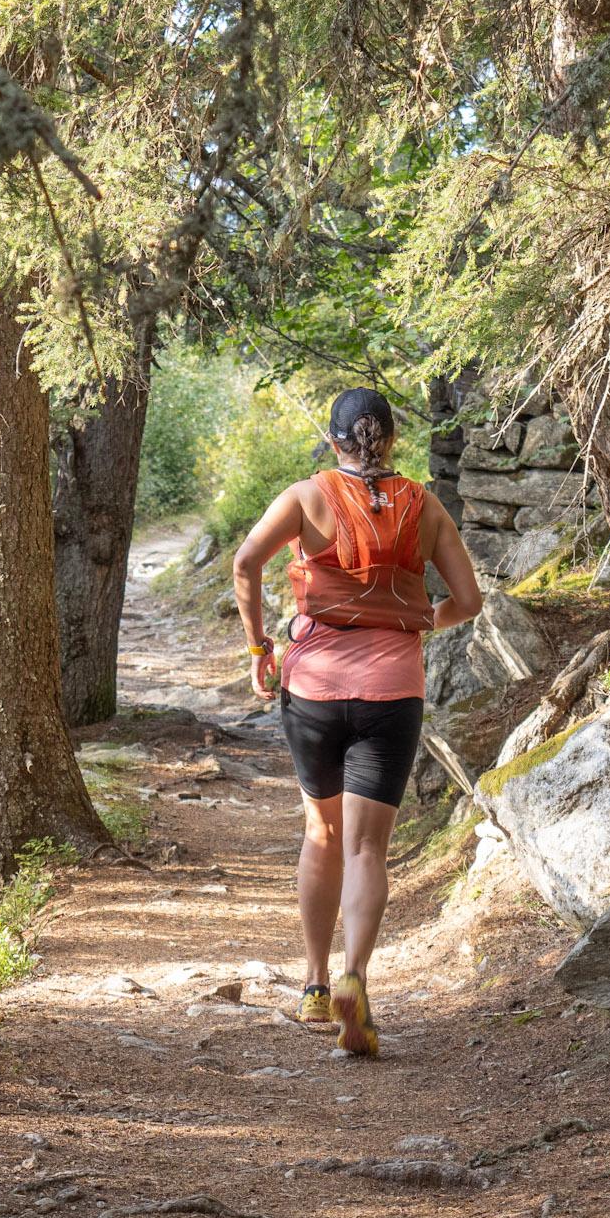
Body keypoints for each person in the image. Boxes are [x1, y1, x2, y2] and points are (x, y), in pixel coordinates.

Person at [231, 387, 482, 1055]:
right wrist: (418, 621)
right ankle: (354, 979)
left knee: (321, 832)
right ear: (392, 439)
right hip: (392, 692)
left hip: (313, 689)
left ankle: (313, 984)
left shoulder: (306, 498)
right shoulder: (424, 507)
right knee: (368, 848)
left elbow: (246, 562)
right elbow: (469, 600)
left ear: (336, 440)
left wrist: (260, 649)